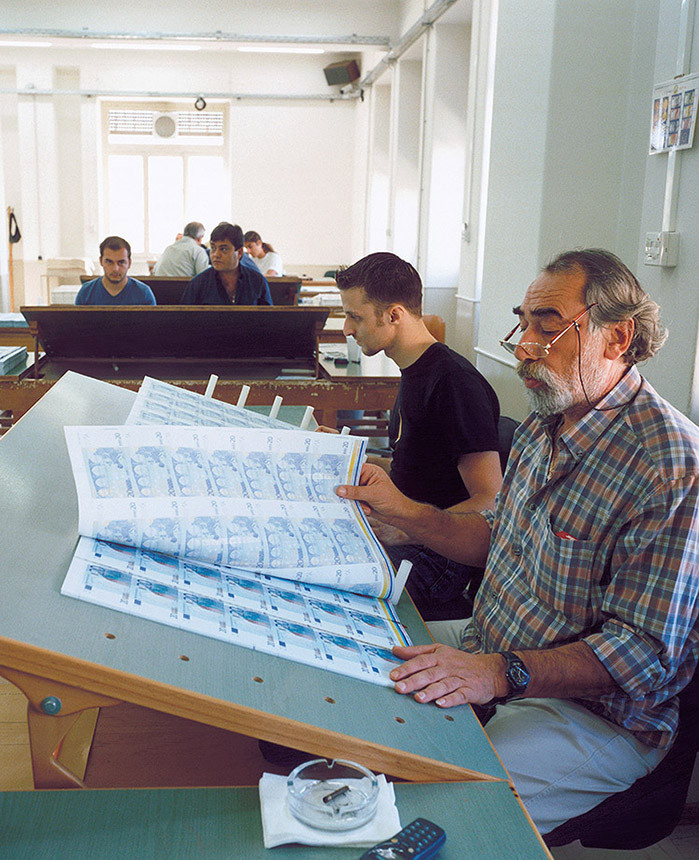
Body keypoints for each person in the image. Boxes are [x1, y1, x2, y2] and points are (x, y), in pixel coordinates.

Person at [336, 249, 699, 835]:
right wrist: (412, 515)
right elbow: (494, 539)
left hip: (594, 714)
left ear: (617, 335)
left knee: (424, 813)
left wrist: (496, 674)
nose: (524, 344)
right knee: (349, 680)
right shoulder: (544, 424)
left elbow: (644, 653)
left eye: (547, 325)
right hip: (495, 649)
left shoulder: (671, 465)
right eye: (522, 322)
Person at [334, 252, 503, 620]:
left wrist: (405, 528)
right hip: (409, 531)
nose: (347, 328)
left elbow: (491, 501)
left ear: (393, 315)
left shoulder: (453, 382)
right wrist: (341, 452)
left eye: (355, 316)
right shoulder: (416, 371)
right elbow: (416, 466)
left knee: (326, 585)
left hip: (438, 558)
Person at [181, 223, 273, 305]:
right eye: (213, 248)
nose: (216, 255)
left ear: (239, 252)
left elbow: (269, 319)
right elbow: (185, 320)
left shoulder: (257, 281)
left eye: (223, 249)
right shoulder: (198, 283)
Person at [75, 237, 155, 305]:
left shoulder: (144, 294)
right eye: (109, 262)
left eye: (121, 262)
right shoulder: (85, 292)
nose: (115, 269)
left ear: (129, 263)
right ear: (100, 261)